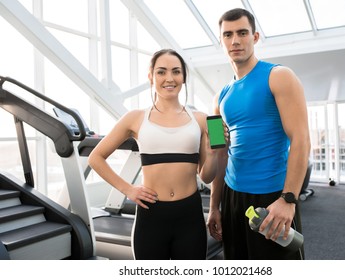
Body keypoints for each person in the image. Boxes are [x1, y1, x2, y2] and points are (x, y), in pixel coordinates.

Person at [88, 49, 217, 260]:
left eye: (176, 72)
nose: (169, 78)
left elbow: (207, 177)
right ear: (151, 77)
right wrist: (128, 189)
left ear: (184, 77)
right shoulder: (135, 118)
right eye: (161, 72)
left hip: (189, 216)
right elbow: (96, 157)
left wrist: (212, 154)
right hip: (151, 215)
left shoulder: (204, 120)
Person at [206, 8, 311, 260]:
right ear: (221, 41)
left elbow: (302, 140)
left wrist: (288, 198)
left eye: (242, 33)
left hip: (273, 195)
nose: (235, 40)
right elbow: (219, 154)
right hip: (232, 196)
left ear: (255, 37)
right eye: (228, 35)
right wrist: (214, 207)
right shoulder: (218, 98)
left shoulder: (280, 76)